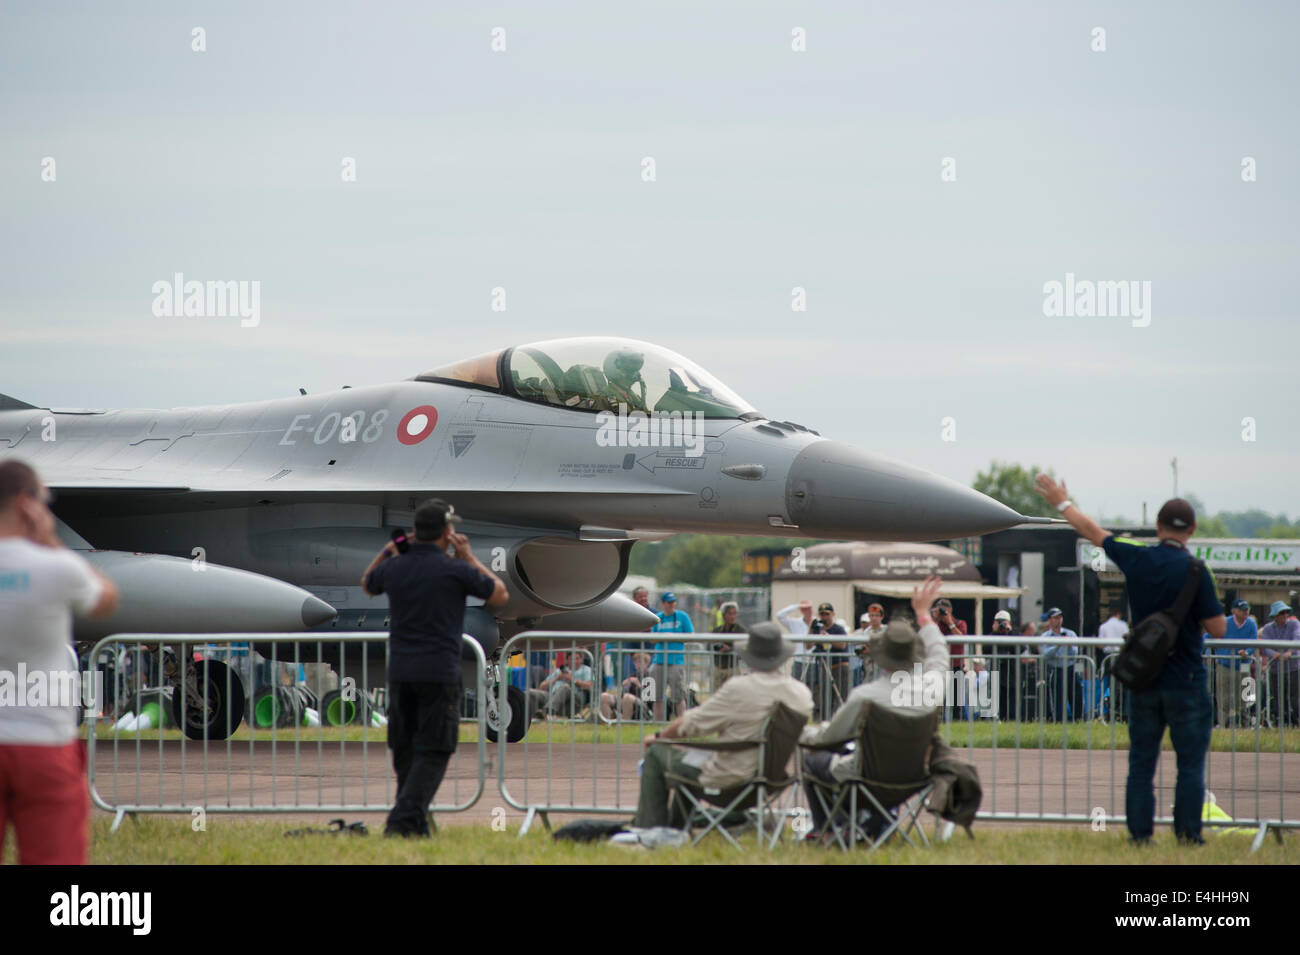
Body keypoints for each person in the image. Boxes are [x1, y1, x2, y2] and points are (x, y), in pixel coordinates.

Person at [1036, 478, 1224, 845]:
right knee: (1190, 765)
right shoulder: (1197, 571)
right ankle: (1188, 835)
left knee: (1141, 763)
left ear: (1158, 527)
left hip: (1145, 676)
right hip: (1186, 677)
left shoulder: (1136, 555)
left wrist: (1062, 503)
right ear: (1193, 530)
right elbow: (1218, 628)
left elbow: (1094, 533)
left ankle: (1140, 837)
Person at [360, 498, 508, 837]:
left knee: (406, 749)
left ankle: (415, 825)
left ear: (416, 532)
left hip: (400, 673)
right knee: (435, 748)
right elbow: (499, 594)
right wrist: (469, 556)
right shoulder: (454, 569)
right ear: (446, 532)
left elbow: (368, 583)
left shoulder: (397, 567)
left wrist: (389, 550)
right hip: (439, 672)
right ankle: (402, 822)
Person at [0, 459, 120, 864]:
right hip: (44, 747)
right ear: (26, 504)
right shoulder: (58, 568)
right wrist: (51, 539)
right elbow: (106, 598)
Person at [800, 576, 947, 833]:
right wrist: (923, 615)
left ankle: (829, 828)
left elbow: (829, 737)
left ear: (880, 657)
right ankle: (874, 824)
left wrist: (805, 733)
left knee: (812, 760)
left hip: (866, 777)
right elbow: (939, 654)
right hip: (914, 779)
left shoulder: (865, 696)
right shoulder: (933, 686)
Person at [632, 622, 812, 828]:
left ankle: (647, 830)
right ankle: (675, 828)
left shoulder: (739, 688)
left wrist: (658, 736)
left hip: (727, 780)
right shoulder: (802, 694)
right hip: (769, 782)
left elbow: (693, 724)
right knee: (689, 763)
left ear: (749, 655)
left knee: (657, 753)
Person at [1209, 600, 1257, 728]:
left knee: (1244, 699)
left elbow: (1253, 641)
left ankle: (1245, 726)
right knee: (1223, 698)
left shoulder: (1251, 624)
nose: (1246, 611)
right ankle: (1223, 726)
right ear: (1234, 611)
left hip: (1244, 665)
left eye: (1247, 609)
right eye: (1242, 609)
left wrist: (1247, 651)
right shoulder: (1225, 622)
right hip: (1224, 665)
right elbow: (1210, 635)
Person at [650, 591, 692, 720]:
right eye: (668, 602)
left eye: (673, 602)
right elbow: (651, 639)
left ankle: (682, 723)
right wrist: (663, 637)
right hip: (659, 662)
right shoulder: (657, 617)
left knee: (679, 697)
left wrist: (673, 637)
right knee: (656, 697)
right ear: (663, 604)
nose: (671, 605)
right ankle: (657, 723)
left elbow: (690, 636)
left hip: (676, 662)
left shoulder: (682, 616)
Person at [1260, 600, 1300, 728]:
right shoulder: (1267, 629)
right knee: (1278, 698)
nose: (1284, 615)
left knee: (1295, 698)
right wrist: (1274, 654)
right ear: (1275, 615)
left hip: (1293, 668)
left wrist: (1289, 652)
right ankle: (1280, 723)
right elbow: (1265, 646)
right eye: (1281, 613)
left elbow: (1297, 638)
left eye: (1286, 612)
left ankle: (1296, 722)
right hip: (1276, 670)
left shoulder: (1294, 624)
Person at [808, 602, 849, 720]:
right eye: (822, 614)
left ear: (832, 614)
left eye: (827, 614)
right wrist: (811, 628)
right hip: (825, 666)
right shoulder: (817, 629)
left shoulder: (838, 629)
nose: (824, 617)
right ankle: (825, 719)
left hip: (839, 666)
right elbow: (808, 645)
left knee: (841, 695)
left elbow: (842, 645)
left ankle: (841, 720)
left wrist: (827, 638)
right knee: (825, 696)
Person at [1040, 608, 1082, 721]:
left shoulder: (1070, 633)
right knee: (1057, 701)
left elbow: (1076, 653)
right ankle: (1058, 724)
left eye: (1060, 617)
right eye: (1055, 618)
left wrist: (1068, 645)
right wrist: (1057, 645)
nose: (1058, 620)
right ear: (1049, 620)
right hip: (1056, 670)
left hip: (1071, 669)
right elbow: (1045, 654)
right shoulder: (1045, 636)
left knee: (1076, 699)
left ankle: (1079, 723)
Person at [528, 647, 594, 719]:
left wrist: (572, 680)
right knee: (531, 692)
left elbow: (590, 686)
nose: (574, 661)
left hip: (573, 702)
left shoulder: (586, 670)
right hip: (553, 698)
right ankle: (529, 716)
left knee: (564, 687)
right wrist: (556, 678)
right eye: (571, 659)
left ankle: (546, 712)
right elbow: (542, 686)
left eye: (577, 659)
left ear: (581, 660)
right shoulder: (559, 671)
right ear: (567, 660)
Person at [776, 599, 814, 685]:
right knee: (796, 686)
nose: (809, 611)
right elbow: (780, 615)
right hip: (799, 661)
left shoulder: (817, 622)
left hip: (814, 661)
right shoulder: (795, 623)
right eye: (805, 609)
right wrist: (797, 606)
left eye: (810, 608)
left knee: (815, 688)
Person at [710, 601, 743, 690]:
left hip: (733, 669)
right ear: (724, 616)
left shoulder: (741, 631)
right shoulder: (717, 630)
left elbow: (745, 650)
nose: (733, 616)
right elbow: (710, 646)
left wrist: (730, 649)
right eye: (730, 614)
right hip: (718, 669)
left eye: (735, 613)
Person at [854, 604, 887, 688]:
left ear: (881, 617)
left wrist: (872, 650)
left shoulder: (887, 631)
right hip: (869, 668)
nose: (874, 618)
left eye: (877, 615)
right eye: (871, 615)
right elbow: (859, 650)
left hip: (883, 668)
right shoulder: (865, 632)